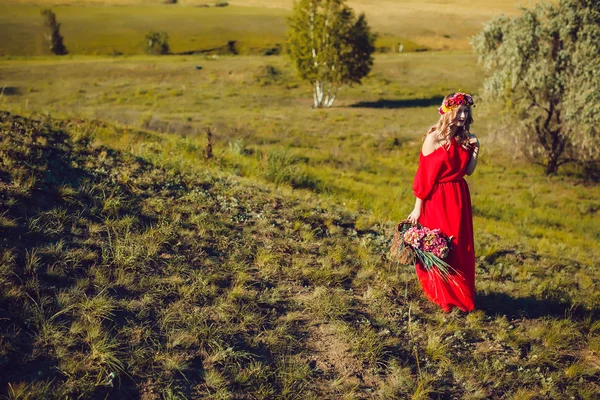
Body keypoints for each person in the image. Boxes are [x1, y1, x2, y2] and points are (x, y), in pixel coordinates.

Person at [406, 92, 480, 312]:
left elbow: (468, 171)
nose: (463, 115)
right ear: (448, 112)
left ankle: (461, 295)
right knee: (441, 246)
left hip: (459, 197)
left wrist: (476, 150)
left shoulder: (464, 139)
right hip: (437, 198)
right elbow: (424, 176)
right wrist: (417, 208)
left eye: (466, 111)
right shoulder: (433, 138)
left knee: (460, 247)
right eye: (459, 111)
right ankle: (443, 295)